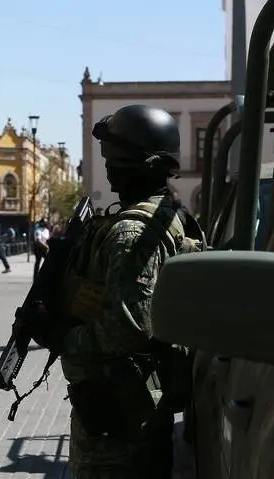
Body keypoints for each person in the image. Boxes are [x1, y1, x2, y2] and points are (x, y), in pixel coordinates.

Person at [57, 105, 204, 478]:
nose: (108, 168)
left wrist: (64, 338)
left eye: (117, 159)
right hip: (138, 404)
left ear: (144, 165)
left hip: (118, 415)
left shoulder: (132, 233)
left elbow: (128, 327)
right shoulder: (172, 215)